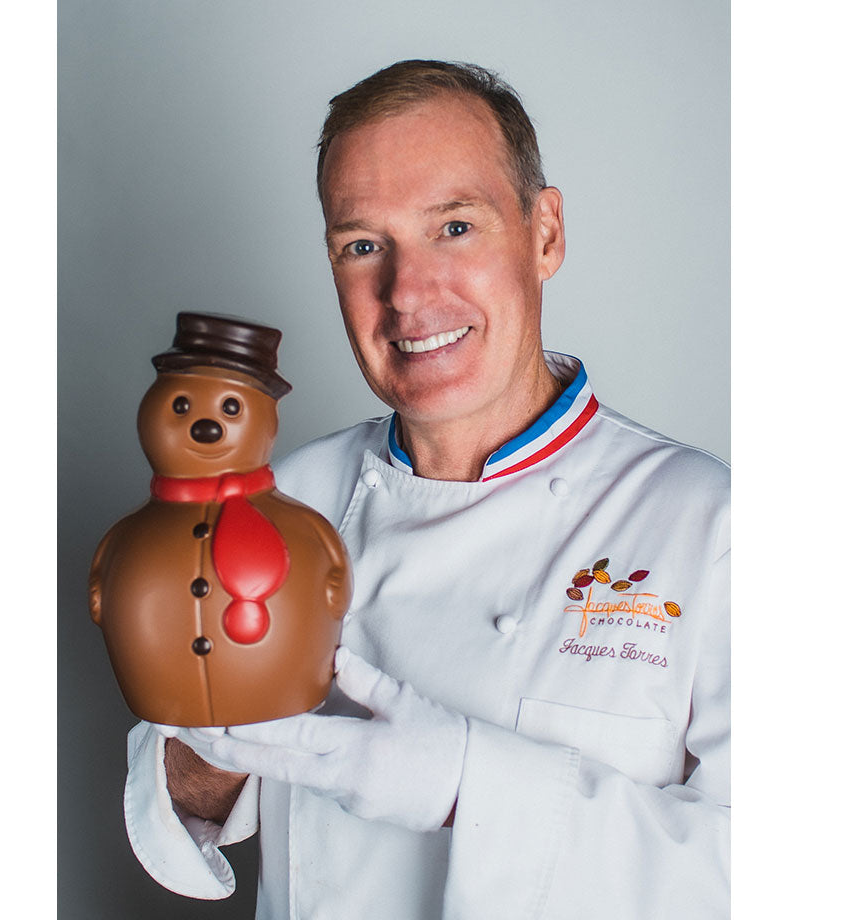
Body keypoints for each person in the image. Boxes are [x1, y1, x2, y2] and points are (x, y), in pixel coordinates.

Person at [123, 60, 729, 919]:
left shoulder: (706, 522)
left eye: (453, 226)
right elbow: (186, 801)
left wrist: (465, 785)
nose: (406, 293)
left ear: (545, 233)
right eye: (363, 245)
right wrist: (212, 748)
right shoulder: (286, 498)